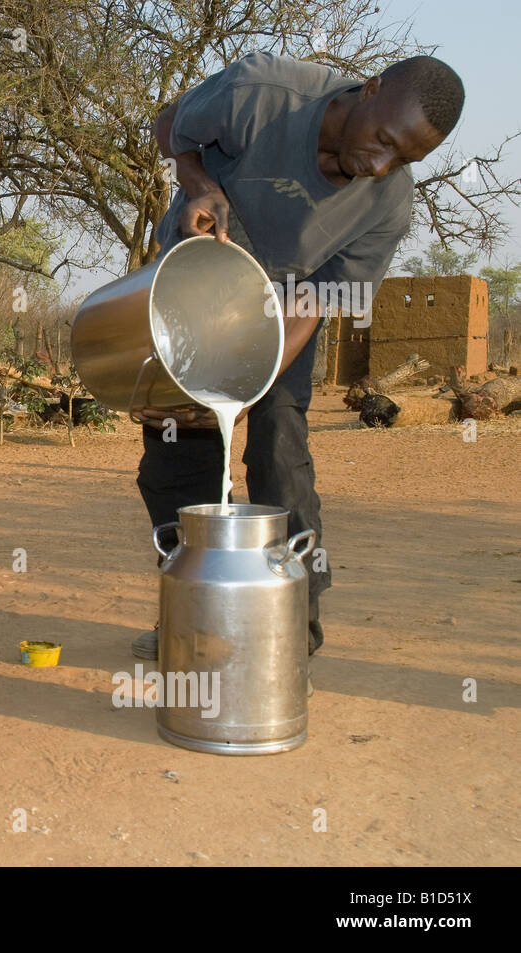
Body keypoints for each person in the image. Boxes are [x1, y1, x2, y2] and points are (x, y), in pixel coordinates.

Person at [132, 52, 464, 661]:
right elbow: (170, 124)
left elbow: (318, 298)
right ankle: (193, 618)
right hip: (194, 288)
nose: (381, 164)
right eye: (385, 140)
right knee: (176, 458)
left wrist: (250, 381)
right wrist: (200, 184)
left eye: (404, 160)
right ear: (371, 88)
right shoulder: (262, 91)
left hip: (280, 313)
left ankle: (290, 629)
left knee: (279, 451)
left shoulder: (387, 204)